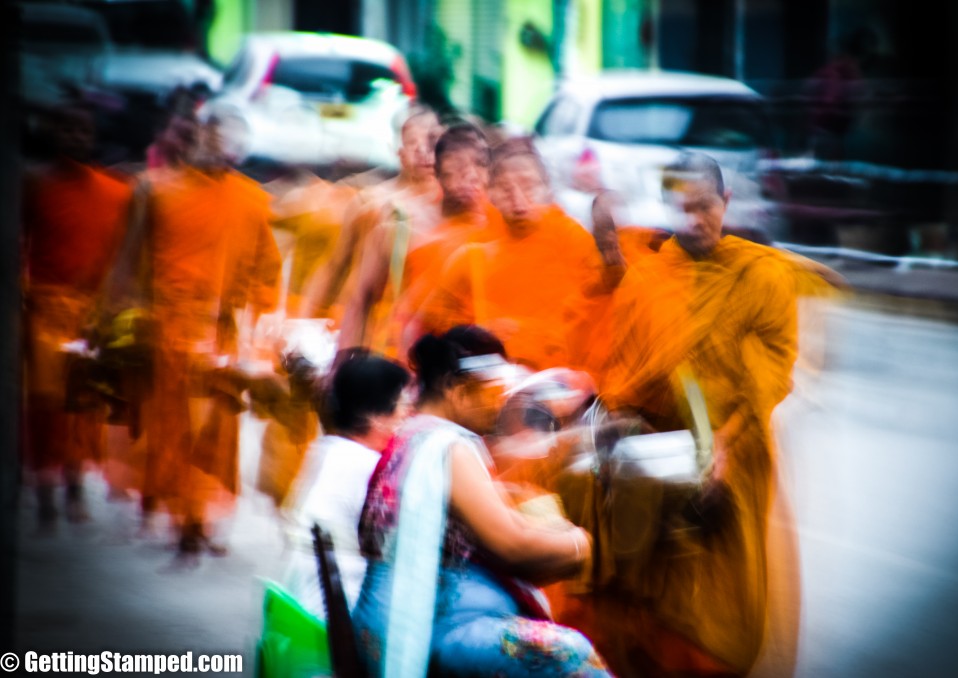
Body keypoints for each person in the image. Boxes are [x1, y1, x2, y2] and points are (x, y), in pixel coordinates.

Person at [566, 151, 834, 676]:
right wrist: (619, 425)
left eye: (705, 206)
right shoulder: (648, 280)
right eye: (681, 207)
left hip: (737, 454)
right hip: (659, 463)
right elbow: (627, 377)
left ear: (725, 202)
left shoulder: (761, 275)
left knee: (721, 610)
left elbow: (772, 374)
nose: (694, 219)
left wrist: (723, 448)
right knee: (653, 597)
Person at [352, 328, 610, 677]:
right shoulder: (446, 446)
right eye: (491, 392)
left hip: (383, 620)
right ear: (454, 388)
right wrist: (582, 544)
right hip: (430, 630)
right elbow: (512, 545)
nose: (499, 403)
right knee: (569, 652)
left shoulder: (412, 437)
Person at [101, 114, 282, 556]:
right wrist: (114, 318)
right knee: (172, 426)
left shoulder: (251, 199)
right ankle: (184, 515)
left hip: (221, 332)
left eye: (230, 141)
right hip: (166, 327)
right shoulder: (156, 190)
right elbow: (130, 258)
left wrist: (264, 325)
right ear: (195, 139)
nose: (220, 148)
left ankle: (200, 515)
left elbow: (266, 267)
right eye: (212, 137)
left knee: (215, 429)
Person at [21, 104, 133, 526]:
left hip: (94, 313)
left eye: (81, 129)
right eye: (65, 128)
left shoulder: (114, 191)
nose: (74, 137)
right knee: (47, 406)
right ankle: (47, 493)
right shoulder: (34, 184)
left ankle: (74, 487)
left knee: (83, 407)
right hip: (44, 311)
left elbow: (123, 257)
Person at [418, 138, 614, 372]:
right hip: (494, 380)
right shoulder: (474, 252)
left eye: (529, 186)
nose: (519, 200)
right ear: (490, 193)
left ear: (547, 189)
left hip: (562, 379)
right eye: (505, 189)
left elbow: (601, 318)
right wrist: (479, 333)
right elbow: (433, 320)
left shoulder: (575, 242)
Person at [339, 123, 504, 357]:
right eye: (457, 165)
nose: (470, 175)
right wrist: (344, 361)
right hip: (411, 355)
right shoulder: (400, 226)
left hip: (482, 357)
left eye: (480, 164)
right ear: (436, 171)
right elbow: (361, 299)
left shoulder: (501, 227)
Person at [282, 350, 412, 616]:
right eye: (401, 405)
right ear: (376, 416)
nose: (407, 414)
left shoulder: (327, 449)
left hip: (306, 599)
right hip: (342, 612)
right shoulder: (367, 467)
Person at [299, 106, 443, 323]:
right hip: (377, 324)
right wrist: (306, 321)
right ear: (398, 149)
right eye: (413, 143)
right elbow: (336, 266)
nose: (423, 152)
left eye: (432, 143)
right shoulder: (370, 202)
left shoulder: (454, 206)